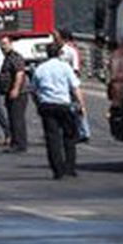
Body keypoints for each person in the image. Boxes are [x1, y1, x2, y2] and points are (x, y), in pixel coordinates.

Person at [31, 41, 86, 179]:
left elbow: (34, 89)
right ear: (60, 53)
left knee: (52, 138)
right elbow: (75, 87)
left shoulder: (40, 68)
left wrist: (38, 103)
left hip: (47, 104)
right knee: (69, 136)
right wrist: (81, 105)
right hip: (63, 104)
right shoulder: (65, 67)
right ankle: (70, 167)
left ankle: (57, 169)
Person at [57, 29, 90, 142]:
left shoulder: (71, 51)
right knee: (67, 108)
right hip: (61, 83)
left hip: (71, 82)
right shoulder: (58, 51)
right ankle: (72, 130)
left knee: (78, 107)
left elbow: (76, 69)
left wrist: (72, 83)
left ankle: (84, 132)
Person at [0, 35, 28, 153]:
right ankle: (15, 142)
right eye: (1, 45)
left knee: (17, 119)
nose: (3, 47)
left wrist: (15, 89)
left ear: (11, 44)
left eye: (5, 44)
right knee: (12, 118)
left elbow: (19, 73)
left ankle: (20, 144)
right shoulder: (7, 57)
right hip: (9, 91)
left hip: (18, 93)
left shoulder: (15, 57)